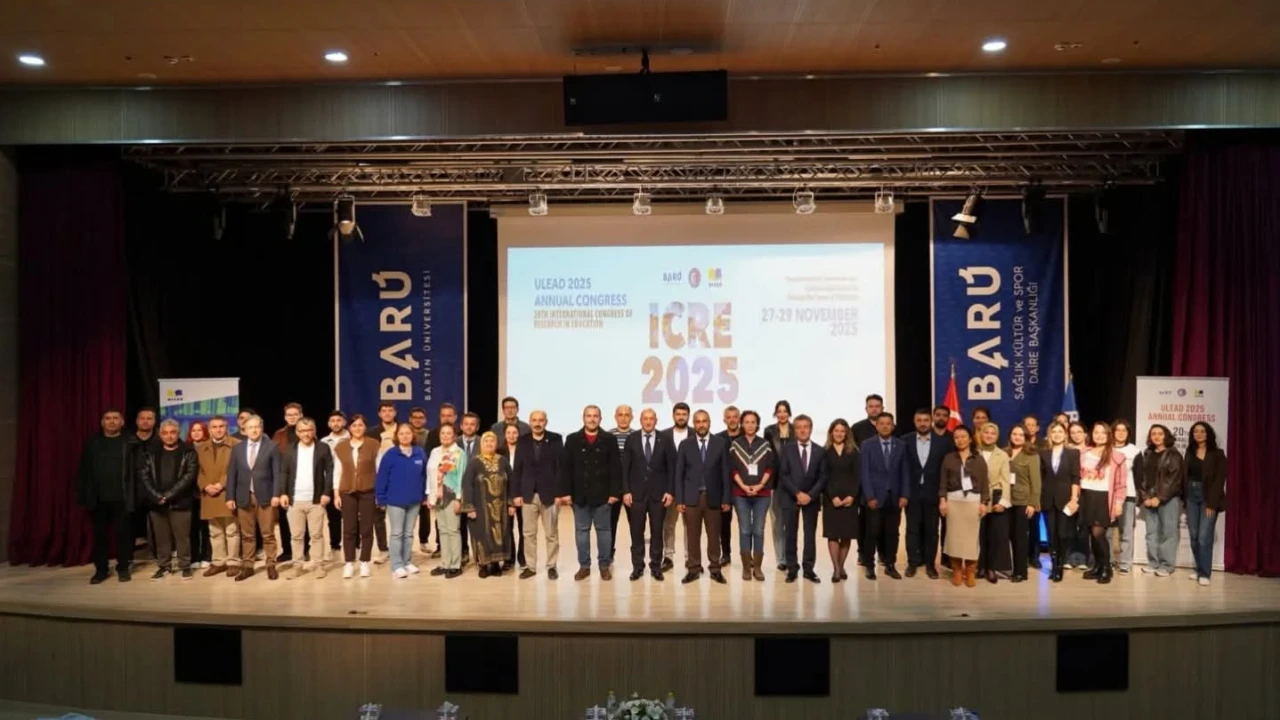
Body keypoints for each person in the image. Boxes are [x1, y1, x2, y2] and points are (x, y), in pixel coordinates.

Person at [560, 405, 623, 581]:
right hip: (579, 495)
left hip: (603, 496)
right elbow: (566, 468)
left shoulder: (609, 439)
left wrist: (614, 493)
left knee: (604, 531)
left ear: (600, 419)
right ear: (583, 418)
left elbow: (615, 468)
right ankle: (584, 566)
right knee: (582, 531)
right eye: (589, 416)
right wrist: (566, 492)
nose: (592, 419)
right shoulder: (572, 439)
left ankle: (604, 565)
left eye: (595, 416)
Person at [673, 409, 732, 585]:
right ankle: (693, 569)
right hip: (691, 498)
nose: (701, 425)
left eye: (704, 421)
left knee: (714, 536)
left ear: (709, 423)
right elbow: (679, 474)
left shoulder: (720, 443)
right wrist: (679, 500)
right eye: (698, 421)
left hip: (713, 497)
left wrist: (726, 499)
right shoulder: (685, 445)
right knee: (692, 536)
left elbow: (725, 473)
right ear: (694, 424)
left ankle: (715, 569)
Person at [78, 410, 136, 583]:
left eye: (116, 418)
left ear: (122, 422)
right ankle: (101, 570)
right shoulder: (92, 443)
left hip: (123, 497)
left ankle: (123, 568)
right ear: (102, 422)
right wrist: (84, 496)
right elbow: (84, 471)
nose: (112, 422)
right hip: (98, 499)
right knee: (99, 537)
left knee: (124, 536)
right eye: (108, 419)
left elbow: (137, 471)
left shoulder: (130, 442)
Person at [138, 419, 199, 580]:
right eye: (165, 433)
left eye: (172, 432)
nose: (169, 436)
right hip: (156, 502)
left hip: (181, 502)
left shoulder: (188, 451)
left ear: (178, 433)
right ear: (160, 435)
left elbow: (189, 476)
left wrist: (169, 495)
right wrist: (157, 496)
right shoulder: (151, 452)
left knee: (182, 537)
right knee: (161, 537)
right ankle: (164, 566)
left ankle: (185, 566)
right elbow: (144, 475)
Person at [225, 414, 283, 581]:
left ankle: (270, 565)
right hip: (244, 496)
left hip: (266, 496)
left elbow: (277, 473)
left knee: (268, 534)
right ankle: (248, 566)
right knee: (247, 535)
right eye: (250, 427)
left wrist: (276, 494)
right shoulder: (237, 448)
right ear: (244, 430)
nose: (254, 430)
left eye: (257, 427)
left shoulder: (271, 446)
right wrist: (230, 496)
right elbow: (232, 474)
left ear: (261, 428)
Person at [621, 408, 674, 581]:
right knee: (636, 532)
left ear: (656, 420)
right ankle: (638, 567)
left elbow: (671, 468)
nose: (648, 421)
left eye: (651, 418)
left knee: (657, 532)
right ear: (640, 420)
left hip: (659, 495)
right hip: (636, 495)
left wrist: (670, 491)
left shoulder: (665, 439)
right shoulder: (632, 439)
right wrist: (626, 491)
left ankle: (656, 566)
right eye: (645, 418)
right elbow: (625, 468)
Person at [281, 417, 334, 580]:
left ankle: (318, 565)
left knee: (316, 535)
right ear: (297, 432)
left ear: (314, 431)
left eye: (309, 430)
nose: (306, 434)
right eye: (302, 431)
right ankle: (297, 565)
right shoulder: (290, 449)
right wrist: (283, 493)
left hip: (315, 500)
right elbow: (284, 473)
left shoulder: (323, 448)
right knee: (296, 536)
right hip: (295, 500)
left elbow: (329, 471)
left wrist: (326, 493)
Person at [859, 412, 910, 580]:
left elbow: (905, 472)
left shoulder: (901, 445)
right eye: (882, 423)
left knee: (892, 533)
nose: (885, 426)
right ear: (876, 426)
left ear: (893, 426)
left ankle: (890, 565)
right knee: (871, 532)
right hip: (874, 497)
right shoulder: (867, 445)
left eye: (888, 423)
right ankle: (869, 565)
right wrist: (869, 496)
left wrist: (904, 495)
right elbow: (864, 473)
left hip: (894, 498)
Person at [512, 410, 562, 580]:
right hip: (528, 494)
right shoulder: (523, 440)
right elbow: (517, 469)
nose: (537, 423)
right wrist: (516, 493)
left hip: (550, 494)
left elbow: (559, 468)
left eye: (541, 420)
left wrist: (559, 493)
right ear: (530, 422)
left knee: (551, 534)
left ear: (546, 422)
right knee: (528, 533)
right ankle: (531, 566)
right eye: (534, 420)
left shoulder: (555, 439)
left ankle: (552, 566)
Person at [779, 414, 829, 583]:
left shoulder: (820, 451)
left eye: (805, 427)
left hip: (811, 499)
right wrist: (797, 493)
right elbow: (783, 474)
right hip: (790, 497)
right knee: (790, 534)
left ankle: (808, 569)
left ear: (811, 429)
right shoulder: (787, 449)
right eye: (799, 427)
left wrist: (810, 495)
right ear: (794, 430)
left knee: (810, 535)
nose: (802, 430)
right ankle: (792, 568)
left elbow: (823, 476)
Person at [375, 422, 427, 579]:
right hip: (395, 501)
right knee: (397, 533)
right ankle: (397, 565)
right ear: (397, 436)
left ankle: (407, 561)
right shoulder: (390, 454)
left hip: (414, 500)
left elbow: (424, 476)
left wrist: (424, 495)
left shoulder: (419, 453)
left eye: (408, 433)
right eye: (401, 433)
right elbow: (382, 477)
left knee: (409, 533)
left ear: (413, 435)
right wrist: (381, 498)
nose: (405, 436)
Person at [938, 425, 989, 587]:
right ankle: (957, 571)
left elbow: (985, 483)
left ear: (970, 439)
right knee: (954, 539)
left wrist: (984, 503)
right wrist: (943, 500)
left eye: (963, 436)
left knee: (971, 540)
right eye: (956, 437)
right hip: (954, 502)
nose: (960, 440)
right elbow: (943, 482)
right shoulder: (949, 458)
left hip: (973, 502)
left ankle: (970, 571)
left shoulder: (979, 459)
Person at [1080, 422, 1129, 584]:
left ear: (1109, 435)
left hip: (1103, 498)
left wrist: (1119, 503)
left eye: (1103, 433)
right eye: (1096, 432)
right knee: (1091, 533)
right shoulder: (1083, 453)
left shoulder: (1116, 457)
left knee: (1098, 534)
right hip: (1086, 496)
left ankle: (1107, 568)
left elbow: (1121, 484)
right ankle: (1098, 566)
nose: (1099, 435)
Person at [727, 410, 773, 581]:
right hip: (741, 493)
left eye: (753, 422)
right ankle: (747, 567)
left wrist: (760, 485)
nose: (750, 425)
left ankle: (758, 568)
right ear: (742, 424)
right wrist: (744, 486)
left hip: (763, 494)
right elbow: (732, 469)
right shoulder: (735, 444)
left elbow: (770, 468)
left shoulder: (765, 444)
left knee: (759, 530)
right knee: (745, 529)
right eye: (746, 422)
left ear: (757, 424)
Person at [333, 414, 380, 579]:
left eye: (360, 425)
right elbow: (337, 472)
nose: (357, 428)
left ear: (365, 427)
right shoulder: (341, 447)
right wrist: (336, 494)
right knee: (349, 529)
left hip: (368, 491)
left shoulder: (373, 445)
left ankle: (365, 561)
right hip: (347, 492)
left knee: (366, 528)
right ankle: (349, 562)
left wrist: (379, 493)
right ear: (349, 428)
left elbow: (378, 469)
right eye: (354, 425)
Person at [904, 408, 950, 579]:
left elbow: (945, 471)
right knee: (912, 530)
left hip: (933, 493)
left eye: (925, 420)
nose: (923, 423)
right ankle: (912, 563)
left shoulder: (942, 442)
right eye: (919, 420)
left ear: (931, 421)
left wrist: (943, 496)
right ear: (914, 422)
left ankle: (931, 564)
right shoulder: (905, 440)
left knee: (932, 531)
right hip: (912, 493)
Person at [462, 431, 515, 578]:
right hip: (480, 507)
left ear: (496, 444)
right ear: (481, 443)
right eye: (486, 441)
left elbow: (512, 482)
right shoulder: (474, 462)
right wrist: (469, 507)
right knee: (481, 534)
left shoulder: (503, 461)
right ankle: (483, 565)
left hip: (501, 507)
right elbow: (467, 484)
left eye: (492, 441)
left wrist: (511, 503)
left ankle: (496, 564)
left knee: (500, 534)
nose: (489, 444)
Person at [195, 416, 241, 577]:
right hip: (209, 494)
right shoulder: (201, 447)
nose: (218, 429)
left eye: (221, 426)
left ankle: (233, 562)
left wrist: (221, 485)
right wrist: (205, 485)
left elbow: (237, 468)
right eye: (214, 427)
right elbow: (197, 470)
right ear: (209, 429)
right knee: (214, 531)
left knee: (232, 530)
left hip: (228, 492)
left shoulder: (236, 444)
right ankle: (219, 562)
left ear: (227, 428)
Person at [1136, 423, 1184, 577]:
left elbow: (1174, 480)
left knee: (1168, 533)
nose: (1156, 436)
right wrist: (1145, 497)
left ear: (1166, 436)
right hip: (1149, 499)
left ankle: (1167, 565)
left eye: (1160, 433)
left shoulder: (1174, 455)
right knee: (1151, 533)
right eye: (1153, 434)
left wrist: (1160, 498)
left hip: (1168, 499)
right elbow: (1142, 477)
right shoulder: (1147, 453)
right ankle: (1153, 563)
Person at [1184, 421, 1225, 586]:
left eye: (1202, 431)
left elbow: (1219, 480)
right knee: (1194, 536)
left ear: (1208, 434)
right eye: (1196, 431)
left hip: (1208, 497)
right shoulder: (1190, 452)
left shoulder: (1218, 454)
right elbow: (1185, 476)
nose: (1199, 434)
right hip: (1191, 496)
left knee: (1203, 537)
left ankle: (1204, 573)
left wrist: (1212, 504)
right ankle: (1199, 567)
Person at [1040, 422, 1081, 582]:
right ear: (1050, 435)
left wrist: (1074, 499)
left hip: (1065, 500)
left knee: (1063, 534)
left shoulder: (1073, 453)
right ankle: (1054, 565)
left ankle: (1061, 564)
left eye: (1060, 431)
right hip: (1047, 499)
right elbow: (1041, 477)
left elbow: (1075, 477)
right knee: (1051, 534)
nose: (1057, 434)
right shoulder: (1043, 453)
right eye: (1054, 431)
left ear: (1065, 434)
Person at [426, 423, 468, 578]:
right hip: (437, 496)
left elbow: (462, 477)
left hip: (451, 496)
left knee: (453, 530)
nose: (445, 436)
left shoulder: (458, 453)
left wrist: (459, 498)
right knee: (442, 530)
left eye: (448, 433)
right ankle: (445, 563)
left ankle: (455, 565)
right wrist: (429, 495)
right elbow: (430, 474)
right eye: (442, 433)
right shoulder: (435, 452)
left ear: (454, 436)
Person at [822, 419, 860, 583]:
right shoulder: (824, 452)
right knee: (832, 534)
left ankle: (841, 565)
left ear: (847, 433)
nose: (839, 434)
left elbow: (858, 476)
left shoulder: (854, 451)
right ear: (831, 432)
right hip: (831, 499)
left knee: (846, 534)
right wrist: (833, 497)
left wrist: (852, 496)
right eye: (836, 430)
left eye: (842, 431)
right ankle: (836, 569)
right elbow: (823, 477)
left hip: (850, 499)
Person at [975, 422, 1011, 583]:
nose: (989, 435)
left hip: (996, 497)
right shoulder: (974, 452)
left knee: (994, 535)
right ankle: (980, 566)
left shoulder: (1002, 455)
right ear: (981, 434)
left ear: (997, 436)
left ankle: (991, 568)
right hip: (976, 498)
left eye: (993, 433)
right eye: (986, 432)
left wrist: (1003, 502)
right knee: (979, 535)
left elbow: (1006, 480)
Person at [1005, 424, 1042, 582]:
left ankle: (1021, 571)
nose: (1017, 437)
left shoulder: (1032, 456)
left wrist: (1032, 503)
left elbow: (1036, 482)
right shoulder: (1004, 453)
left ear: (1026, 437)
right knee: (1009, 536)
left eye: (1021, 435)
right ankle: (1010, 567)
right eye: (1015, 434)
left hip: (1023, 501)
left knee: (1020, 537)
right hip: (1006, 500)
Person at [658, 403, 692, 572]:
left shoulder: (696, 434)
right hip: (670, 488)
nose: (681, 417)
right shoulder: (663, 435)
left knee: (690, 525)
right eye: (678, 414)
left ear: (688, 416)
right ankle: (668, 556)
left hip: (690, 487)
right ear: (673, 416)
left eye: (684, 414)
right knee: (669, 524)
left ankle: (689, 557)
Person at [423, 402, 459, 558]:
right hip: (438, 490)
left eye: (449, 415)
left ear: (455, 417)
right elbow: (429, 465)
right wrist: (430, 492)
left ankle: (456, 557)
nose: (446, 418)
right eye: (443, 415)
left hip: (454, 490)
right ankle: (443, 551)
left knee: (455, 527)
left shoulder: (459, 439)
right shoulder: (433, 436)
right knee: (442, 524)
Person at [762, 400, 795, 570]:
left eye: (785, 411)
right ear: (776, 413)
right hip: (774, 482)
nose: (782, 414)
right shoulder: (769, 431)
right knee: (777, 522)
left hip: (793, 482)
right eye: (779, 411)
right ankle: (781, 559)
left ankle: (791, 557)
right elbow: (767, 456)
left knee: (791, 523)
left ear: (789, 413)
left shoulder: (796, 429)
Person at [271, 402, 304, 565]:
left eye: (295, 414)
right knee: (284, 518)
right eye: (289, 415)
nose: (292, 417)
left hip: (303, 479)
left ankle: (304, 550)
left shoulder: (307, 431)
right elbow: (273, 457)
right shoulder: (279, 435)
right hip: (283, 479)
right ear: (285, 417)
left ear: (301, 415)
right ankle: (287, 551)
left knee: (303, 516)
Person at [129, 407, 162, 565]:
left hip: (155, 489)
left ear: (154, 422)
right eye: (142, 418)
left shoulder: (161, 440)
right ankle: (129, 559)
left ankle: (159, 557)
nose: (145, 421)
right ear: (137, 421)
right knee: (129, 525)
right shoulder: (127, 440)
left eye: (149, 418)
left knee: (157, 525)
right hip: (132, 489)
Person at [1109, 419, 1141, 575]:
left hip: (1128, 495)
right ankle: (1108, 561)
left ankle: (1125, 563)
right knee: (1107, 532)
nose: (1121, 433)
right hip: (1108, 495)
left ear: (1128, 433)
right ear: (1113, 432)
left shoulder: (1134, 451)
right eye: (1118, 430)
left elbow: (1139, 476)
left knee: (1126, 531)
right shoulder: (1106, 449)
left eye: (1124, 430)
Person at [714, 405, 742, 566]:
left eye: (735, 417)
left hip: (745, 487)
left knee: (747, 525)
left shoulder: (748, 436)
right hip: (725, 487)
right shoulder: (718, 439)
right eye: (729, 417)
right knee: (724, 524)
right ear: (724, 420)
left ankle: (748, 555)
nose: (732, 420)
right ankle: (726, 554)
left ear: (739, 419)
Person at [607, 405, 636, 562]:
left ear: (632, 417)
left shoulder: (637, 436)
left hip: (633, 487)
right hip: (613, 487)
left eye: (627, 415)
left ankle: (636, 554)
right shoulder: (608, 436)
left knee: (635, 524)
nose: (623, 418)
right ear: (615, 417)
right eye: (620, 415)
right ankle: (608, 553)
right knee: (610, 523)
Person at [320, 411, 349, 562]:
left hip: (349, 482)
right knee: (334, 519)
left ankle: (355, 547)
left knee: (352, 518)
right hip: (331, 484)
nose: (336, 423)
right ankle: (335, 548)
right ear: (328, 424)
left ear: (344, 422)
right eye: (333, 421)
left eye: (339, 420)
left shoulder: (351, 438)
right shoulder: (324, 441)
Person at [1063, 420, 1092, 569]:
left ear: (1085, 434)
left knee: (1083, 525)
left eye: (1079, 432)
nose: (1076, 435)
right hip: (1068, 491)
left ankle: (1082, 558)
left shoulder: (1092, 451)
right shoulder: (1065, 451)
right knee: (1068, 525)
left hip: (1086, 491)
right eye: (1072, 432)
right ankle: (1068, 558)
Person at [498, 423, 526, 571]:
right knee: (507, 528)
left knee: (524, 528)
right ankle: (509, 559)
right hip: (504, 495)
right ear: (504, 435)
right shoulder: (499, 451)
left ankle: (523, 558)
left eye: (514, 432)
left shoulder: (525, 450)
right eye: (508, 433)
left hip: (522, 494)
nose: (511, 435)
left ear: (519, 434)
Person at [184, 422, 211, 570]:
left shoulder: (209, 447)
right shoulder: (185, 448)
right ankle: (194, 556)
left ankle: (207, 555)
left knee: (206, 528)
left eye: (199, 430)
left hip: (205, 493)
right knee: (192, 528)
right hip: (189, 494)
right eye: (193, 430)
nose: (196, 433)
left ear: (205, 431)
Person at [1021, 414, 1045, 570]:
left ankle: (1034, 556)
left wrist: (1038, 497)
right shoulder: (1018, 443)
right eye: (1027, 424)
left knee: (1035, 526)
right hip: (1020, 491)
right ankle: (1021, 556)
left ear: (1037, 428)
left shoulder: (1044, 446)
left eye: (1032, 425)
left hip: (1037, 491)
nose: (1030, 427)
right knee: (1021, 528)